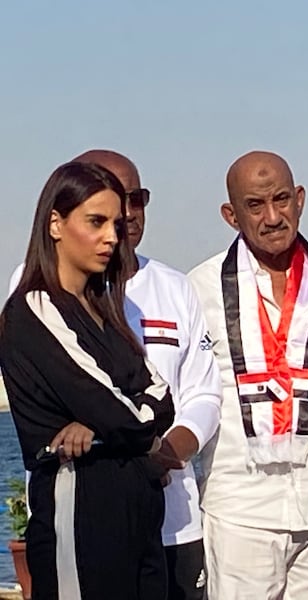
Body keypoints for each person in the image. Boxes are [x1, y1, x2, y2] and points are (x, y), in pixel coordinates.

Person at [8, 149, 223, 600]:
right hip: (82, 515)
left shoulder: (105, 307)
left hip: (145, 512)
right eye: (96, 222)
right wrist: (125, 421)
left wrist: (109, 424)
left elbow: (159, 399)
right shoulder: (36, 305)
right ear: (54, 224)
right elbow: (127, 409)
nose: (113, 234)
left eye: (119, 220)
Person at [188, 151, 308, 599]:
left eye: (281, 199)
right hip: (239, 507)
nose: (273, 217)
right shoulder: (198, 288)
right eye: (255, 205)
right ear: (231, 215)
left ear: (300, 199)